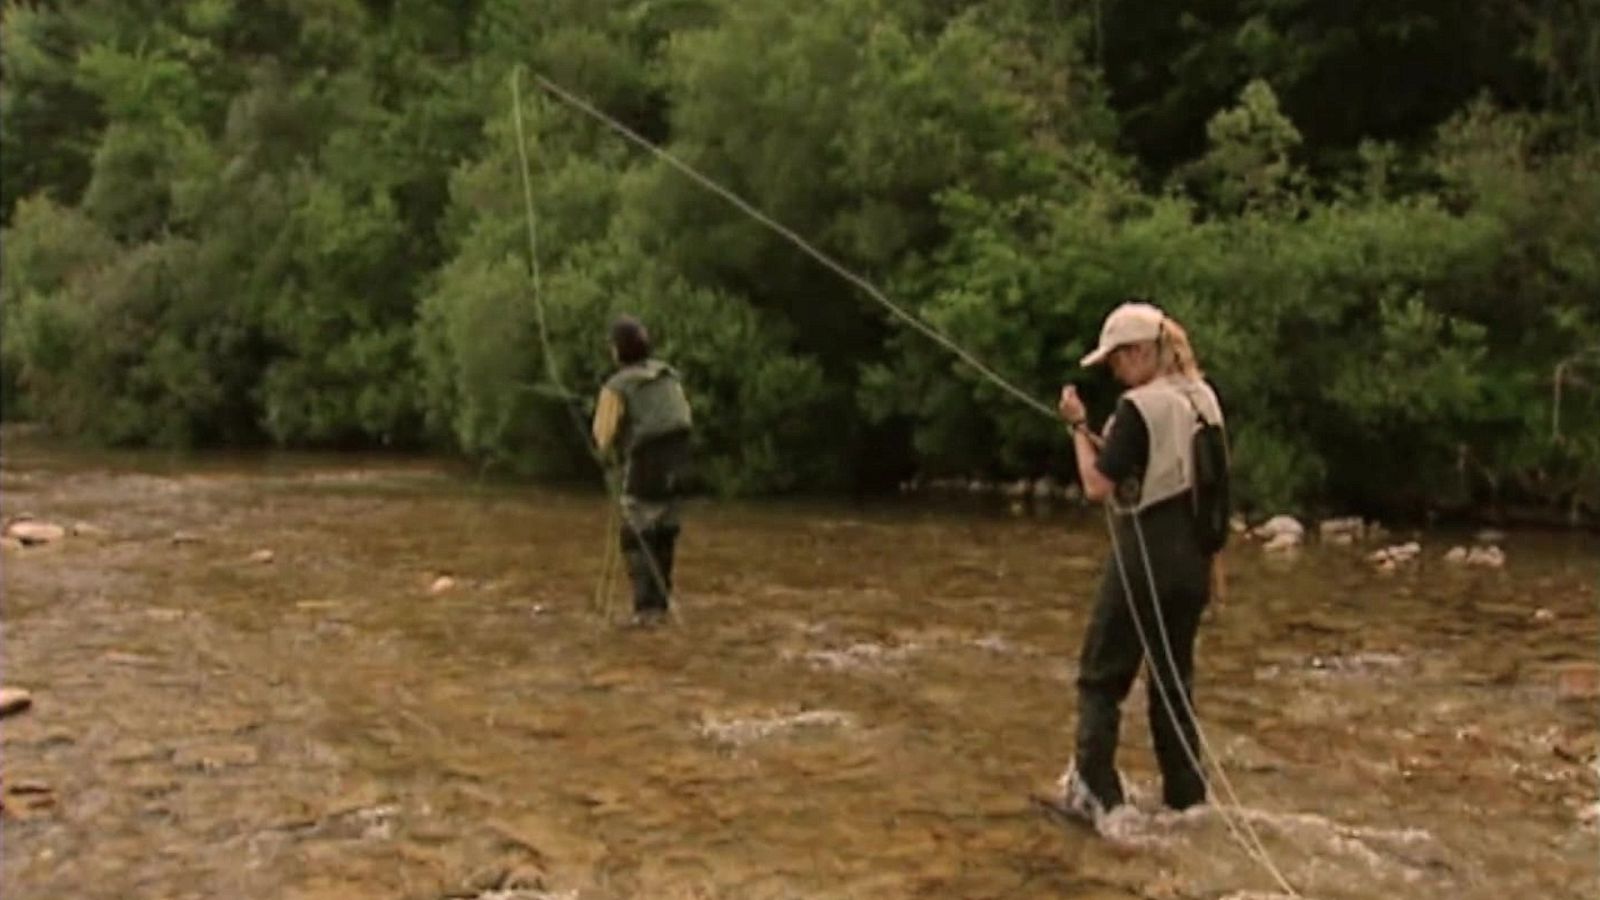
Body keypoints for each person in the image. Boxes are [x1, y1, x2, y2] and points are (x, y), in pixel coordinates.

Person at [1053, 300, 1228, 822]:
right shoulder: (1203, 399)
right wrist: (1217, 565)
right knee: (1173, 688)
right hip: (1193, 558)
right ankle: (1186, 802)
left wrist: (1076, 428)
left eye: (1115, 361)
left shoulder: (1139, 406)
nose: (1113, 371)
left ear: (1137, 353)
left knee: (1100, 677)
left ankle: (1095, 798)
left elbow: (1096, 485)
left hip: (1146, 554)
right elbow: (1211, 484)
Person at [590, 315, 694, 625]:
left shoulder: (617, 386)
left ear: (618, 350)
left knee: (637, 536)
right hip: (682, 465)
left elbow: (602, 435)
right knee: (665, 533)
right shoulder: (668, 375)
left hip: (647, 466)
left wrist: (607, 452)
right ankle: (660, 608)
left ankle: (645, 611)